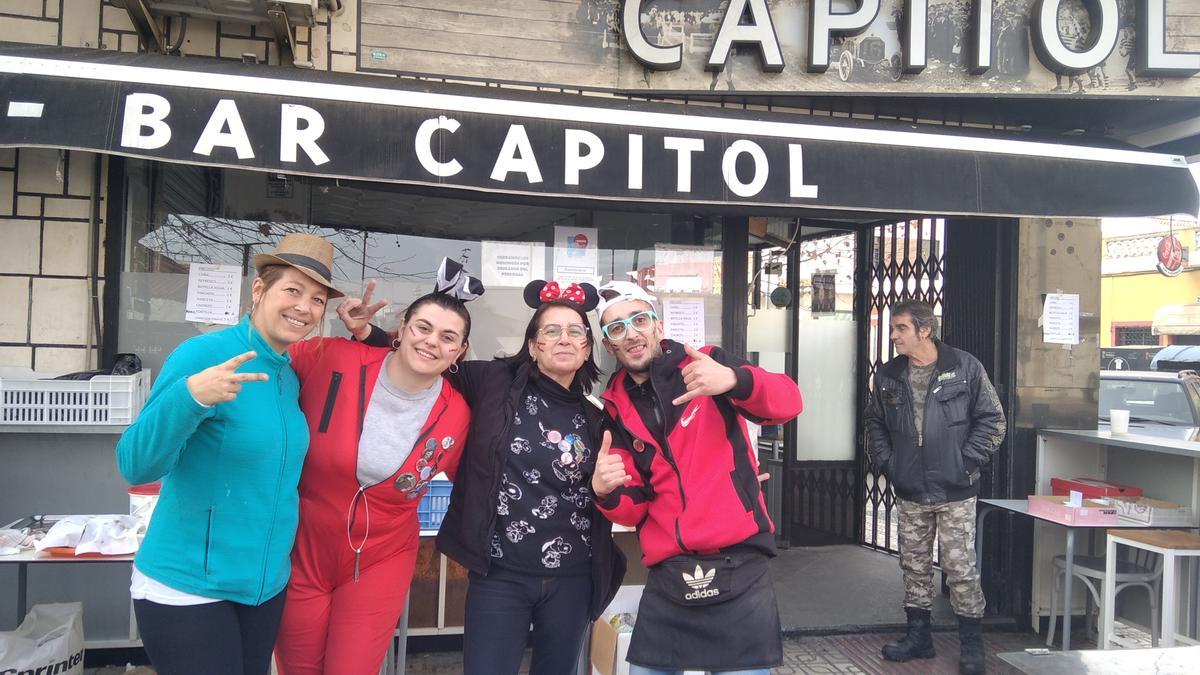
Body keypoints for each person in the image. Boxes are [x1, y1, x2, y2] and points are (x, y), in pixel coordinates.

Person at [352, 279, 625, 675]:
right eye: (551, 330)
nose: (563, 339)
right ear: (533, 345)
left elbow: (615, 494)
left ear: (587, 347)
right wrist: (367, 333)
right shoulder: (493, 382)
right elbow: (429, 356)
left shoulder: (597, 417)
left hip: (574, 577)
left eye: (575, 332)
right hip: (500, 572)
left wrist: (605, 493)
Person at [115, 233, 342, 675]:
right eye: (292, 290)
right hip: (189, 587)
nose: (304, 307)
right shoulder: (204, 355)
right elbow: (136, 463)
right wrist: (191, 397)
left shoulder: (289, 375)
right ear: (259, 290)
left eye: (317, 299)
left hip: (262, 589)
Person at [273, 259, 477, 674]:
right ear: (401, 329)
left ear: (460, 351)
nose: (431, 342)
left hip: (381, 557)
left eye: (448, 337)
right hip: (303, 548)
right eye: (423, 327)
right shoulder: (332, 358)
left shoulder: (457, 415)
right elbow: (263, 360)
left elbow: (477, 480)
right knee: (298, 668)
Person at [590, 281, 803, 675]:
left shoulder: (707, 362)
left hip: (739, 557)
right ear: (608, 344)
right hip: (669, 569)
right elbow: (633, 508)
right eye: (616, 327)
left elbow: (789, 402)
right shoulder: (614, 406)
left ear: (657, 325)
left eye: (639, 319)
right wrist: (605, 493)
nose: (631, 332)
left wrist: (734, 381)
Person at [864, 299, 1006, 675]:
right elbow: (874, 422)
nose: (893, 336)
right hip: (911, 487)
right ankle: (919, 637)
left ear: (924, 330)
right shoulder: (890, 374)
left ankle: (972, 644)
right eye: (893, 329)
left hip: (955, 490)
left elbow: (993, 419)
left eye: (900, 329)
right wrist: (889, 464)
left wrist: (967, 462)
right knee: (914, 566)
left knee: (960, 568)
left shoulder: (964, 367)